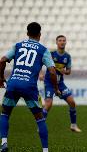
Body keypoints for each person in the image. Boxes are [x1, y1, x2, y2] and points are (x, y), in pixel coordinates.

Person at [0, 22, 60, 152]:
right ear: (40, 34)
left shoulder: (18, 46)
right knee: (40, 118)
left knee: (5, 113)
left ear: (27, 33)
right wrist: (55, 88)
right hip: (29, 87)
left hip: (13, 83)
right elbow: (52, 71)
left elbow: (2, 60)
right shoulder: (43, 50)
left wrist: (0, 78)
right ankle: (45, 150)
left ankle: (4, 142)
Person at [40, 35, 82, 133]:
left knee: (72, 102)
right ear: (56, 42)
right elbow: (40, 63)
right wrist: (41, 73)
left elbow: (69, 71)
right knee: (48, 104)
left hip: (60, 84)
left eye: (64, 40)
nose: (62, 42)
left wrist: (65, 71)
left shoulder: (67, 56)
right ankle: (41, 126)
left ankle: (73, 125)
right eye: (60, 40)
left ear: (66, 42)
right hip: (49, 83)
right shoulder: (51, 54)